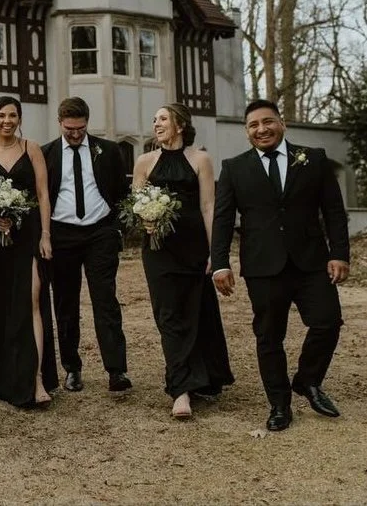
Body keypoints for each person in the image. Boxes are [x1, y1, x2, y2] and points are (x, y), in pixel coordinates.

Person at [211, 99, 349, 431]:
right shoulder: (234, 168)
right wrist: (220, 264)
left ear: (281, 123)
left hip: (311, 261)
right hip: (262, 266)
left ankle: (307, 380)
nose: (262, 129)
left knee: (328, 321)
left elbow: (333, 210)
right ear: (247, 132)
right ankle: (279, 405)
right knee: (269, 336)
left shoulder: (314, 159)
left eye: (267, 121)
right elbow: (223, 219)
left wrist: (339, 253)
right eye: (253, 125)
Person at [131, 105, 233, 420]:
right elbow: (136, 205)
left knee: (195, 311)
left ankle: (202, 376)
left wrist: (215, 254)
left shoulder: (201, 159)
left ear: (180, 125)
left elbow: (208, 206)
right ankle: (180, 390)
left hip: (194, 248)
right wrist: (145, 221)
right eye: (154, 119)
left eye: (163, 118)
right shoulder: (144, 161)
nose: (156, 123)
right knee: (169, 316)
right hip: (158, 249)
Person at [42, 97, 130, 394]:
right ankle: (72, 368)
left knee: (105, 301)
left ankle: (116, 370)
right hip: (62, 235)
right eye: (70, 129)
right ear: (59, 123)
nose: (76, 134)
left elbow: (122, 193)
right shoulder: (46, 154)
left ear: (87, 123)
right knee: (65, 304)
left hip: (100, 233)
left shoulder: (110, 150)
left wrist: (117, 229)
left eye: (81, 128)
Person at [0, 97, 57, 407]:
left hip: (28, 235)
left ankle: (36, 378)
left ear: (19, 119)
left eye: (12, 115)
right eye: (1, 115)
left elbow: (43, 194)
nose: (7, 121)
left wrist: (45, 235)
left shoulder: (31, 148)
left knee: (31, 300)